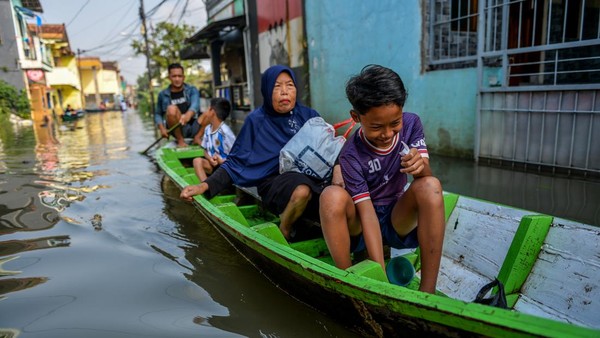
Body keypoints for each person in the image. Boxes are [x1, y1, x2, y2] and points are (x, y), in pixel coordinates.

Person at [319, 65, 445, 294]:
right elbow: (366, 213)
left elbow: (425, 176)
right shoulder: (350, 154)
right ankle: (348, 282)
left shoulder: (412, 124)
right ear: (356, 117)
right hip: (361, 221)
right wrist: (381, 278)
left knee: (431, 186)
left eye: (394, 123)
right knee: (330, 197)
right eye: (376, 127)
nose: (387, 134)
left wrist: (420, 168)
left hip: (397, 218)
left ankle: (428, 293)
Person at [181, 65, 339, 240]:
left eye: (290, 85)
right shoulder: (256, 121)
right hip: (273, 182)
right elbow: (235, 163)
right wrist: (203, 186)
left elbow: (329, 149)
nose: (285, 92)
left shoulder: (309, 116)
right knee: (302, 189)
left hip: (311, 177)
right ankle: (285, 228)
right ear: (267, 90)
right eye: (277, 86)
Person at [155, 63, 208, 147]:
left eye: (179, 76)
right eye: (174, 76)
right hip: (177, 129)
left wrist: (188, 115)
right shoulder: (163, 94)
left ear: (184, 77)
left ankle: (197, 138)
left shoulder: (192, 90)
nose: (177, 79)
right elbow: (158, 114)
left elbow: (195, 105)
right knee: (171, 109)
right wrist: (162, 129)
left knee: (211, 111)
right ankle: (181, 141)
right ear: (169, 78)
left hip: (195, 126)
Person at [193, 97, 236, 181]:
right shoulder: (207, 129)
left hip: (226, 168)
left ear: (212, 112)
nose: (206, 112)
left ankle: (210, 186)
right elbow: (205, 150)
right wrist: (210, 159)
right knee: (197, 161)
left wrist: (222, 161)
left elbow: (236, 157)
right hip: (213, 166)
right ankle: (206, 186)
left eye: (208, 109)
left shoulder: (226, 132)